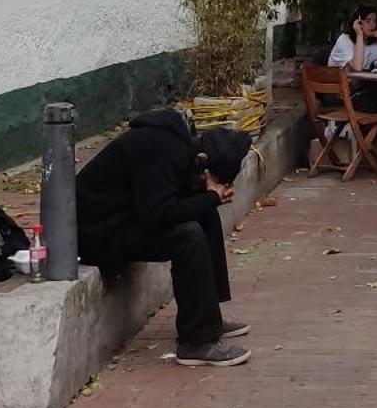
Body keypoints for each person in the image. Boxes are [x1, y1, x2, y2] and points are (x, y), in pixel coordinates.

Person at [77, 109, 251, 367]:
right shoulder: (159, 149)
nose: (208, 183)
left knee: (206, 216)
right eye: (212, 179)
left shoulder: (181, 148)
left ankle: (208, 319)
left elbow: (164, 202)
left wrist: (208, 198)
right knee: (187, 235)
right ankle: (195, 343)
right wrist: (210, 197)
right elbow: (157, 214)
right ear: (203, 160)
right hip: (97, 233)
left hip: (124, 218)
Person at [327, 5, 377, 72]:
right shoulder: (344, 39)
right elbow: (357, 68)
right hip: (335, 81)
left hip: (359, 80)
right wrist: (359, 34)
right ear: (358, 23)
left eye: (374, 21)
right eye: (368, 21)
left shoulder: (375, 42)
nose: (372, 25)